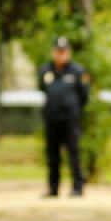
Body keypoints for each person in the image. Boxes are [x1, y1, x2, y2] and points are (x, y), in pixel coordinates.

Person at [39, 36, 91, 198]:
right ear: (53, 52)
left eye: (64, 51)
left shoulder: (78, 71)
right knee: (52, 154)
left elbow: (84, 96)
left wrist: (73, 110)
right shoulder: (46, 70)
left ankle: (77, 187)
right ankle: (53, 188)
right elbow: (42, 89)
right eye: (58, 51)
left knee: (74, 153)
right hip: (52, 119)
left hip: (70, 119)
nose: (61, 55)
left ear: (69, 52)